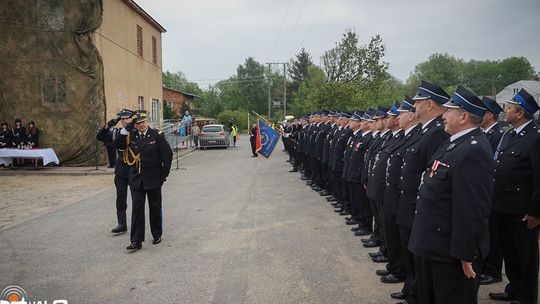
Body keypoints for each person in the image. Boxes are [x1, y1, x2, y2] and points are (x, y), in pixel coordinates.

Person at [408, 85, 494, 304]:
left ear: (464, 116)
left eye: (448, 111)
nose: (443, 115)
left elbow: (472, 209)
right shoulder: (454, 143)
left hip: (450, 253)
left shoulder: (474, 150)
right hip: (434, 243)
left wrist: (466, 255)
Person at [489, 89, 540, 304]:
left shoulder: (535, 138)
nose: (505, 111)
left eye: (509, 108)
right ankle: (514, 287)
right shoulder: (510, 134)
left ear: (520, 113)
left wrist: (535, 211)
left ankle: (527, 296)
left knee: (525, 256)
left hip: (523, 210)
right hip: (503, 205)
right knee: (509, 252)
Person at [116, 112, 173, 251]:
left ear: (147, 122)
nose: (141, 125)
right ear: (135, 125)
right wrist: (125, 130)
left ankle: (156, 234)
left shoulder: (156, 135)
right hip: (136, 179)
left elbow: (167, 155)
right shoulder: (131, 136)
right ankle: (136, 240)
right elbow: (119, 146)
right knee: (137, 208)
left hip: (154, 178)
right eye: (138, 123)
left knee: (154, 206)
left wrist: (163, 175)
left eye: (143, 122)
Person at [478, 96, 505, 286]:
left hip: (495, 193)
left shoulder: (498, 135)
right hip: (486, 193)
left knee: (494, 234)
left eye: (481, 111)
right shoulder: (485, 133)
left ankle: (493, 270)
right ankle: (487, 267)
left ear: (489, 115)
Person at [97, 109, 134, 234]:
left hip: (134, 168)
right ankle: (122, 223)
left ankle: (137, 222)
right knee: (120, 197)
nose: (124, 121)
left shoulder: (136, 131)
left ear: (132, 119)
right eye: (122, 119)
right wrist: (109, 124)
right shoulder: (116, 132)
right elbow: (100, 136)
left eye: (127, 118)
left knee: (137, 198)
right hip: (121, 170)